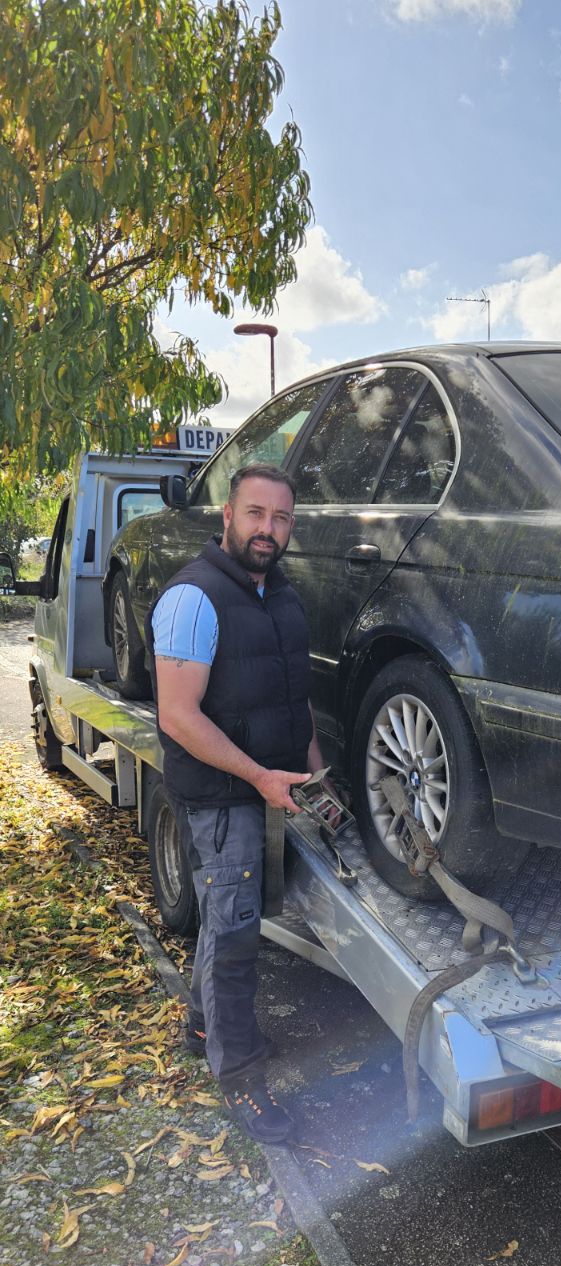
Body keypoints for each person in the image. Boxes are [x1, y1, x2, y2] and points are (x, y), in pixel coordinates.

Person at [146, 462, 326, 1144]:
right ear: (227, 514)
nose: (267, 530)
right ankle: (242, 1080)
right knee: (236, 937)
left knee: (227, 923)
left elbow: (292, 697)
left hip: (267, 784)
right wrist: (258, 778)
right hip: (222, 796)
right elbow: (178, 717)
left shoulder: (279, 593)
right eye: (255, 515)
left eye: (281, 519)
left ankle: (200, 1024)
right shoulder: (192, 598)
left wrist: (314, 774)